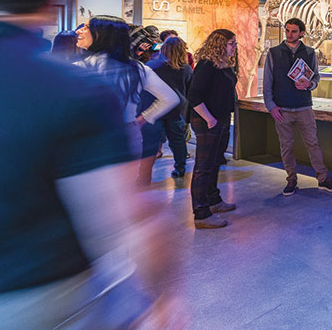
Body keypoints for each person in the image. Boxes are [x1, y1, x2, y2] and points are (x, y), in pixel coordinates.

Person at [0, 0, 183, 330]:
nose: (80, 32)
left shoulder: (82, 77)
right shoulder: (73, 86)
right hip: (45, 314)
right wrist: (162, 293)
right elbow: (125, 216)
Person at [75, 15, 178, 162]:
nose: (79, 31)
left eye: (86, 27)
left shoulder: (78, 68)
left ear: (102, 35)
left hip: (90, 140)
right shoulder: (139, 68)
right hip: (128, 138)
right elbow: (170, 98)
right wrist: (143, 119)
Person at [264, 18, 332, 196]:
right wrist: (271, 106)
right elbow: (268, 81)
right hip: (282, 108)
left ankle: (322, 178)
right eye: (287, 30)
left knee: (313, 143)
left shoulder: (310, 52)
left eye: (294, 31)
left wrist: (309, 85)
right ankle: (291, 179)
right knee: (286, 145)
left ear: (301, 33)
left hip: (304, 107)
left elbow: (316, 78)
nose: (290, 34)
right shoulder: (274, 53)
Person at [188, 29, 239, 229]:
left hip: (222, 119)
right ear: (219, 44)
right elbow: (194, 96)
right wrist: (209, 119)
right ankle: (201, 213)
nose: (234, 47)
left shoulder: (224, 65)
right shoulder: (206, 66)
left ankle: (213, 199)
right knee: (203, 166)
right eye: (231, 43)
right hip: (207, 121)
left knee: (215, 161)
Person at [138, 36, 193, 183]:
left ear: (163, 48)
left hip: (155, 110)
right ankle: (180, 168)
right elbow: (189, 90)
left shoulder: (152, 65)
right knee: (178, 141)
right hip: (176, 110)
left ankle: (144, 177)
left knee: (150, 144)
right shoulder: (186, 69)